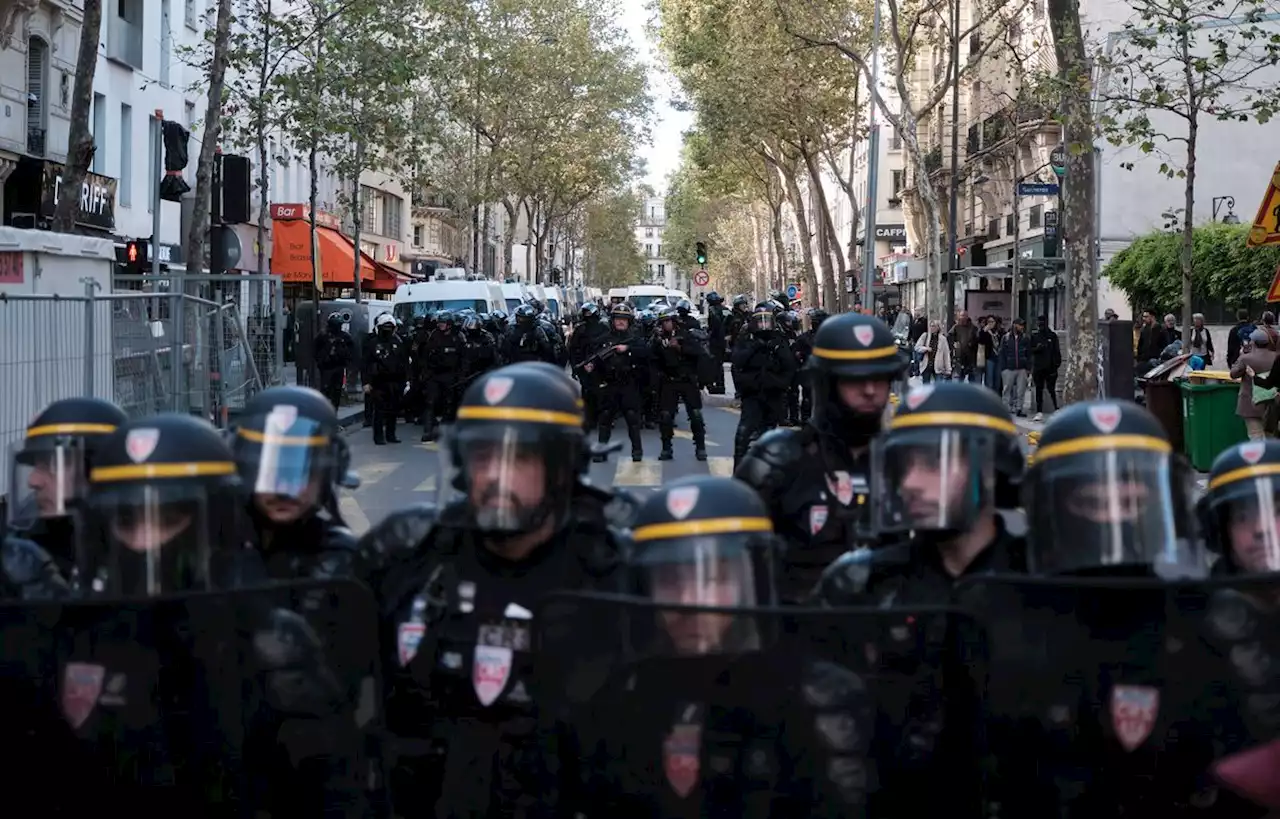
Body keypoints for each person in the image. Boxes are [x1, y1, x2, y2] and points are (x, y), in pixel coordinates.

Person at [355, 364, 625, 818]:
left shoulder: (614, 572)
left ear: (564, 469)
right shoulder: (411, 558)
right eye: (483, 457)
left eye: (520, 459)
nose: (496, 476)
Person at [549, 475, 873, 816]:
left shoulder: (816, 698)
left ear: (755, 581)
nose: (689, 601)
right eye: (671, 580)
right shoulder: (618, 693)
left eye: (715, 578)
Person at [736, 312, 905, 601]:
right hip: (800, 633)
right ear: (826, 383)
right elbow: (737, 563)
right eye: (855, 380)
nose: (870, 391)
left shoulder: (906, 464)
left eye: (880, 379)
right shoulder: (780, 461)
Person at [816, 380, 1027, 606]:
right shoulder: (864, 586)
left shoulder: (1043, 585)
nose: (909, 482)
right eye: (904, 465)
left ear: (991, 470)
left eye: (933, 461)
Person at [231, 385, 364, 582]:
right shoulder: (216, 554)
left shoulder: (342, 559)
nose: (284, 490)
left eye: (301, 473)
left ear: (325, 478)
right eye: (271, 473)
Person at [2, 396, 129, 598]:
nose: (33, 480)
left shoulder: (138, 551)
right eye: (35, 465)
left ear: (98, 471)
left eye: (51, 464)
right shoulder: (21, 553)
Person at [729, 302, 797, 468]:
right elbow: (737, 363)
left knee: (770, 435)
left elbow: (789, 366)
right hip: (752, 394)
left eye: (766, 321)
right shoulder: (746, 340)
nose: (763, 325)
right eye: (760, 321)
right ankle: (738, 471)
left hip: (773, 394)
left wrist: (780, 384)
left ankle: (768, 472)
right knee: (743, 434)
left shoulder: (778, 341)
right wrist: (744, 386)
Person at [649, 305, 709, 461]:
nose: (665, 325)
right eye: (663, 322)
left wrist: (680, 348)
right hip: (669, 381)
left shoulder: (687, 335)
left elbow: (700, 353)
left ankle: (700, 447)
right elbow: (652, 360)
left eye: (668, 321)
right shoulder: (658, 339)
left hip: (687, 380)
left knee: (695, 415)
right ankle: (666, 448)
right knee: (666, 416)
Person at [362, 312, 409, 445]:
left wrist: (406, 381)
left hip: (395, 381)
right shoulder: (372, 343)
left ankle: (391, 434)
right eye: (385, 327)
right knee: (379, 411)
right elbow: (364, 364)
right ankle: (378, 437)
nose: (388, 330)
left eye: (390, 327)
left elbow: (404, 362)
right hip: (378, 382)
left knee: (393, 410)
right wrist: (366, 382)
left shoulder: (398, 342)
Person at [1231, 328, 1276, 441]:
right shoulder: (1276, 357)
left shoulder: (1246, 358)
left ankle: (1261, 458)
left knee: (1255, 436)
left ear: (1253, 342)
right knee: (1270, 436)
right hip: (1272, 403)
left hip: (1251, 404)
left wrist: (1242, 355)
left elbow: (1233, 374)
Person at [314, 312, 354, 411]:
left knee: (336, 392)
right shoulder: (323, 336)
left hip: (339, 367)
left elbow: (351, 351)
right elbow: (315, 350)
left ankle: (333, 414)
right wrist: (321, 362)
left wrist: (347, 362)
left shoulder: (345, 337)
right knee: (325, 391)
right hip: (327, 368)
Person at [1028, 314, 1061, 421]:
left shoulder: (1052, 336)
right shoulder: (1035, 336)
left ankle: (1056, 408)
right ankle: (1039, 411)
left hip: (1050, 367)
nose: (1040, 325)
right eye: (1039, 322)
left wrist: (1056, 365)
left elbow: (1057, 352)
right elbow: (1030, 350)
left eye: (1042, 322)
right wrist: (1037, 349)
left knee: (1051, 389)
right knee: (1039, 389)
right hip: (1038, 367)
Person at [997, 317, 1030, 417]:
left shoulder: (1025, 338)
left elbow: (1028, 353)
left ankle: (1019, 408)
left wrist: (1028, 368)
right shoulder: (1006, 337)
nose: (1022, 327)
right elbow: (1001, 353)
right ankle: (1005, 409)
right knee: (1007, 389)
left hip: (1021, 367)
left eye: (1022, 325)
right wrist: (1003, 368)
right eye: (1020, 325)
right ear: (1015, 325)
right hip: (1009, 367)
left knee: (1021, 390)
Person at [914, 319, 952, 383]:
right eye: (931, 326)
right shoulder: (925, 335)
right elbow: (917, 347)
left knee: (938, 388)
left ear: (938, 327)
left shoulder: (943, 339)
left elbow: (946, 354)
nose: (932, 328)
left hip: (938, 367)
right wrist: (925, 348)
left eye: (934, 326)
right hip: (926, 366)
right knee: (926, 388)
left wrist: (948, 369)